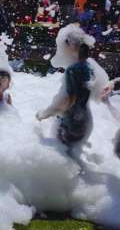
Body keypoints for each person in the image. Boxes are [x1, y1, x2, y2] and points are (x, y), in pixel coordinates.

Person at [36, 25, 107, 160]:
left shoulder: (73, 70)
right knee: (73, 157)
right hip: (85, 122)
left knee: (63, 159)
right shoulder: (89, 66)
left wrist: (44, 114)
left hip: (71, 122)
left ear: (70, 47)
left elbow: (67, 101)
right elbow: (98, 90)